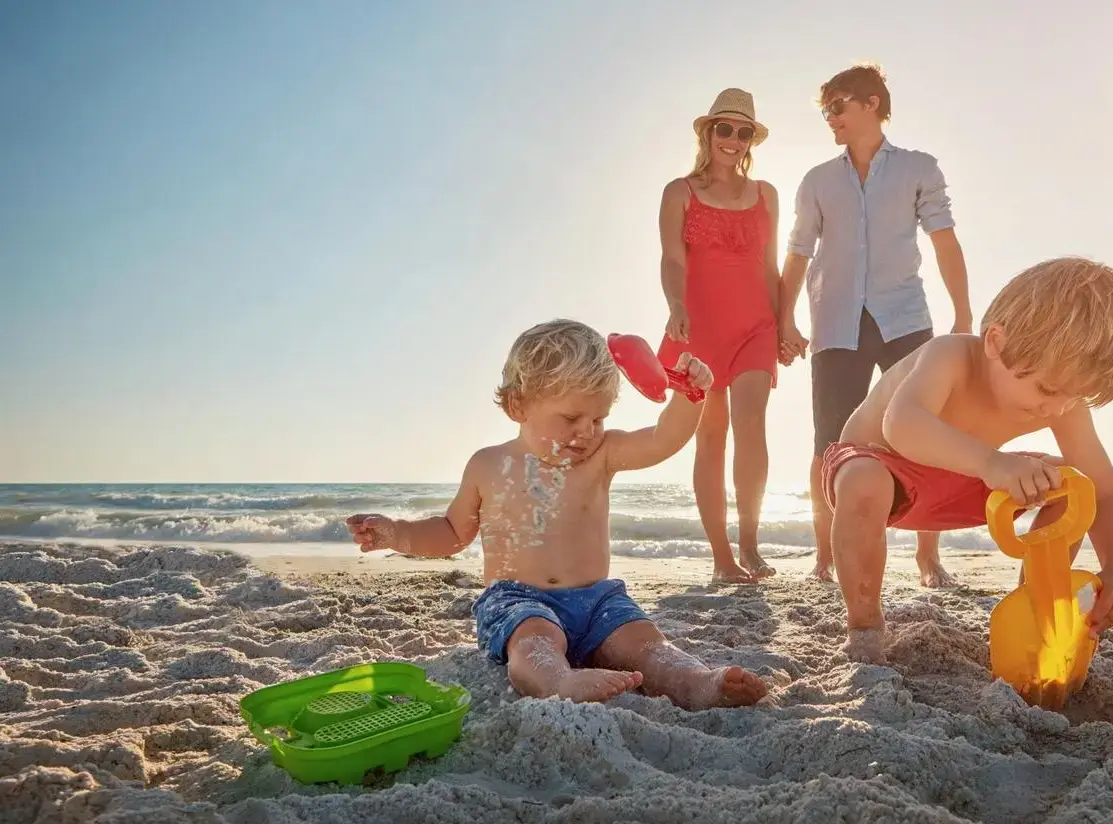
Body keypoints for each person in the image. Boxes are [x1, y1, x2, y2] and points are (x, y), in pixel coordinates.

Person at [346, 319, 769, 708]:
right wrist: (398, 533)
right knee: (533, 644)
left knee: (645, 643)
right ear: (518, 406)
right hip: (518, 600)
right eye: (570, 417)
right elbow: (452, 531)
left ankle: (692, 681)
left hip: (597, 598)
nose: (586, 431)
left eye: (598, 418)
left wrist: (689, 395)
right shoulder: (488, 465)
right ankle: (557, 682)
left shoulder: (602, 455)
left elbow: (663, 438)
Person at [819, 257, 1113, 663]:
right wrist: (994, 464)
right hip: (886, 470)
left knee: (1072, 484)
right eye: (1047, 388)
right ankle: (865, 628)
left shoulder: (1060, 403)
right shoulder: (950, 356)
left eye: (1074, 397)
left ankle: (1033, 606)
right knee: (865, 478)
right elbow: (901, 425)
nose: (1058, 409)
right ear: (996, 342)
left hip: (964, 483)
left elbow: (1107, 492)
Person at [777, 63, 973, 588]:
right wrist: (784, 317)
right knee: (829, 442)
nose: (830, 118)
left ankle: (928, 558)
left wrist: (963, 315)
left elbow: (944, 241)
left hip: (905, 317)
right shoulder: (817, 180)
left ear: (869, 104)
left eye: (836, 106)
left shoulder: (918, 168)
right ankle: (826, 557)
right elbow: (797, 254)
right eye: (825, 110)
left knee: (930, 432)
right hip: (835, 321)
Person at [658, 87, 782, 583]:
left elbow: (772, 268)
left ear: (751, 140)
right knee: (711, 437)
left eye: (743, 131)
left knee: (751, 424)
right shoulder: (679, 192)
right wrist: (675, 305)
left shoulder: (766, 194)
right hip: (699, 325)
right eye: (724, 128)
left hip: (756, 324)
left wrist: (785, 323)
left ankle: (750, 543)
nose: (733, 139)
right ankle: (722, 557)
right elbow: (671, 258)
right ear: (708, 133)